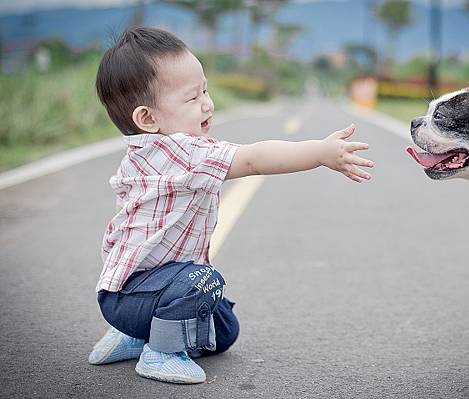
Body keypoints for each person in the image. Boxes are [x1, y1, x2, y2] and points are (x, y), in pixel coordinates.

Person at [88, 26, 373, 384]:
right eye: (192, 98)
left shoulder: (142, 153)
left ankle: (133, 334)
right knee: (203, 282)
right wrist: (318, 153)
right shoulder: (186, 151)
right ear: (148, 119)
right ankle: (160, 353)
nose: (207, 103)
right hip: (135, 295)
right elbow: (253, 159)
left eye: (205, 89)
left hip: (128, 293)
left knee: (224, 330)